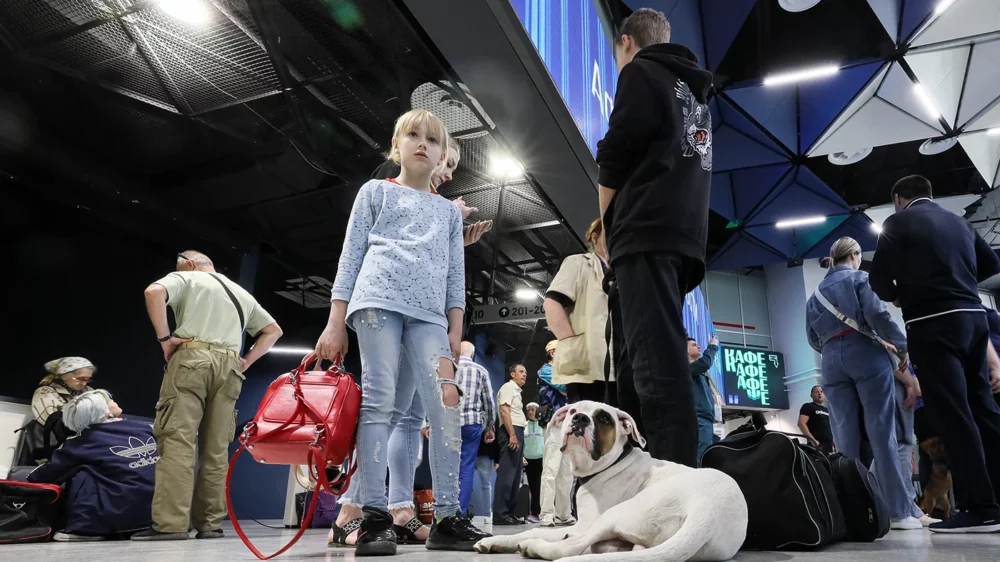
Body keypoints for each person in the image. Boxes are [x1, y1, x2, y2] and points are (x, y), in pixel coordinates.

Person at [315, 109, 488, 555]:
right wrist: (336, 322)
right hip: (376, 305)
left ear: (443, 155)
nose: (422, 144)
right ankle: (374, 517)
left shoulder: (448, 213)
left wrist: (456, 328)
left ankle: (449, 515)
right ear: (396, 147)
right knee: (379, 404)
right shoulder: (375, 192)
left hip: (430, 317)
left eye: (432, 140)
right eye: (413, 135)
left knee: (446, 405)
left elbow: (455, 276)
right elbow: (350, 256)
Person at [596, 7, 714, 466]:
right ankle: (645, 480)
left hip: (644, 230)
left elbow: (617, 149)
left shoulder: (641, 71)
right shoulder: (693, 91)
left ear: (627, 41)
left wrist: (606, 221)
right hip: (682, 234)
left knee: (652, 366)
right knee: (646, 357)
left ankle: (669, 485)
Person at [869, 174, 1000, 533]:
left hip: (932, 322)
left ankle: (981, 508)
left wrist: (902, 293)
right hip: (974, 320)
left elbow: (878, 280)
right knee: (985, 409)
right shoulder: (959, 222)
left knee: (955, 413)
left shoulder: (898, 222)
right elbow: (990, 265)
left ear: (898, 198)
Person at [135, 250, 283, 541]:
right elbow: (273, 330)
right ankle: (210, 525)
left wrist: (165, 339)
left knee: (177, 441)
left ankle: (171, 525)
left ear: (189, 264)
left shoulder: (187, 277)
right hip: (229, 367)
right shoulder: (241, 293)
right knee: (216, 450)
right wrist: (246, 361)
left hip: (192, 358)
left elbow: (153, 292)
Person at [806, 236, 922, 531]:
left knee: (843, 439)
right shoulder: (860, 278)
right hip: (865, 353)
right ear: (855, 255)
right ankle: (899, 512)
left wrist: (833, 351)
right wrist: (902, 345)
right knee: (882, 434)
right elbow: (877, 314)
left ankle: (850, 513)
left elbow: (811, 338)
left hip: (830, 359)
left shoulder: (815, 294)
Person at [28, 390, 155, 541]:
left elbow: (44, 475)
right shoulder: (144, 427)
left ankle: (85, 530)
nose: (114, 401)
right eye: (109, 401)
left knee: (83, 471)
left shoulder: (80, 442)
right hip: (160, 514)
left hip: (120, 518)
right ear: (106, 412)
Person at [544, 219, 615, 403]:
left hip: (620, 367)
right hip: (586, 366)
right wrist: (572, 346)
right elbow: (552, 304)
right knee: (587, 425)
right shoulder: (578, 262)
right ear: (594, 236)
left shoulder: (621, 272)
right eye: (611, 230)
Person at [456, 341, 497, 517]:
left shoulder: (448, 368)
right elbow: (489, 402)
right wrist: (489, 426)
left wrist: (428, 423)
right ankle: (460, 514)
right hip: (472, 424)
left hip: (448, 423)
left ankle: (443, 515)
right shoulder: (481, 371)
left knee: (445, 467)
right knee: (466, 467)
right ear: (472, 354)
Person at [493, 364, 527, 525]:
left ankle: (510, 514)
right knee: (507, 475)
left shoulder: (517, 391)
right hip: (510, 432)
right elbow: (504, 410)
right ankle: (500, 514)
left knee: (515, 476)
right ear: (512, 374)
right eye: (521, 371)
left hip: (517, 432)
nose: (524, 374)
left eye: (525, 372)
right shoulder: (508, 387)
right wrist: (512, 435)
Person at [32, 357, 95, 425]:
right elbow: (52, 423)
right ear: (65, 375)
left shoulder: (89, 391)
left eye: (87, 379)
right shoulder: (45, 393)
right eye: (81, 378)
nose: (84, 383)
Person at [689, 335, 720, 465]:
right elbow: (705, 363)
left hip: (705, 421)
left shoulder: (697, 373)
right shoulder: (687, 368)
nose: (698, 346)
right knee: (700, 458)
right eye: (693, 345)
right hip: (699, 419)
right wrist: (712, 346)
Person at [471, 415, 501, 529]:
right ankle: (488, 514)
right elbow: (496, 435)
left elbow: (496, 435)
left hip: (475, 450)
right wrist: (497, 458)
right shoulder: (491, 414)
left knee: (464, 480)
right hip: (483, 451)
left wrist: (497, 458)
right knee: (485, 485)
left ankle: (487, 514)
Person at [522, 402, 544, 523]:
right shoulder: (524, 426)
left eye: (533, 409)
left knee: (541, 487)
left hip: (541, 459)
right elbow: (520, 444)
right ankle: (534, 513)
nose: (530, 412)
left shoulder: (544, 425)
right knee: (533, 487)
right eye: (528, 410)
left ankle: (542, 512)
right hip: (528, 461)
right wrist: (522, 457)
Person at [797, 386, 834, 454]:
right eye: (816, 392)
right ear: (811, 395)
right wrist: (813, 440)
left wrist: (834, 443)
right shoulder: (808, 406)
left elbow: (830, 428)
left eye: (821, 392)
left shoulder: (827, 410)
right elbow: (801, 423)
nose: (819, 393)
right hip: (816, 445)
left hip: (829, 446)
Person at [536, 341, 567, 412]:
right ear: (552, 353)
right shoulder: (546, 370)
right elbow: (565, 387)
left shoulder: (561, 371)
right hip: (552, 412)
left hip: (562, 410)